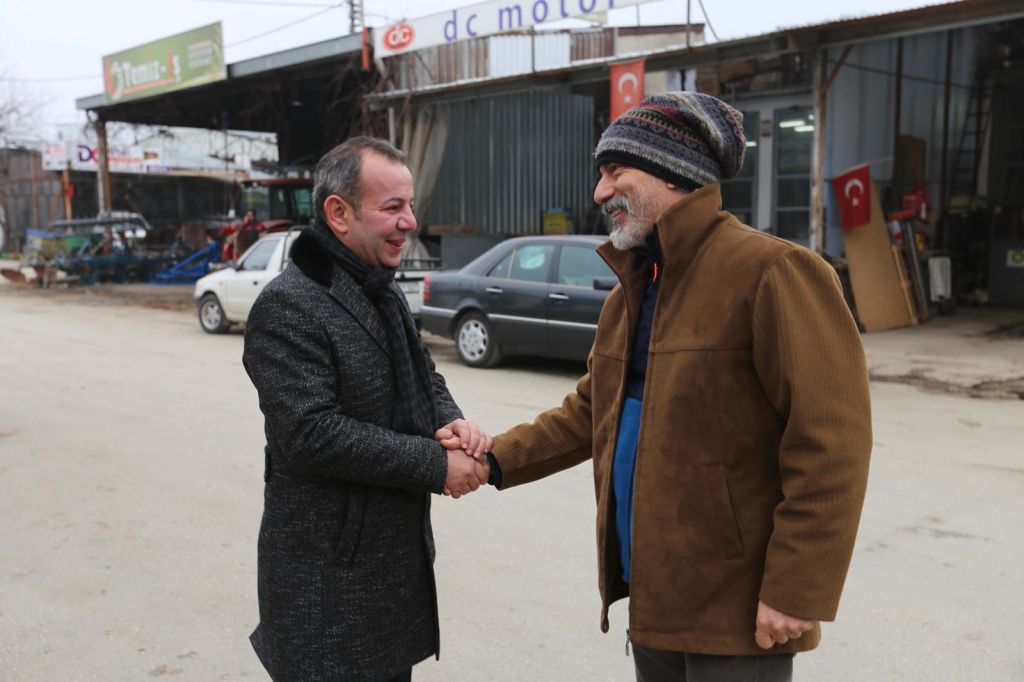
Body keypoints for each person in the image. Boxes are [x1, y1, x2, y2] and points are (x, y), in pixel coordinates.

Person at [486, 93, 872, 681]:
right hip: (653, 597)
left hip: (736, 611)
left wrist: (797, 589)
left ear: (674, 172)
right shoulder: (631, 290)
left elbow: (832, 442)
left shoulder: (775, 272)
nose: (599, 192)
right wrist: (489, 460)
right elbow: (590, 414)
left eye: (616, 171)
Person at [242, 136, 491, 681]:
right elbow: (312, 434)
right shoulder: (288, 305)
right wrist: (436, 464)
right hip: (329, 582)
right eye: (393, 207)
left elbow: (423, 372)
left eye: (410, 204)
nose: (410, 221)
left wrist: (450, 422)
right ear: (338, 212)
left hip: (386, 566)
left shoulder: (378, 288)